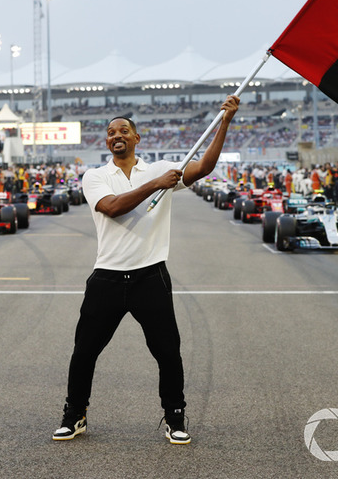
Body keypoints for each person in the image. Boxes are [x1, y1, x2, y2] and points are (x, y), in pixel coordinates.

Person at [53, 95, 241, 445]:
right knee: (84, 353)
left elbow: (203, 168)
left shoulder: (160, 168)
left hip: (150, 276)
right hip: (107, 277)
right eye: (111, 132)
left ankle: (175, 417)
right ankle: (74, 414)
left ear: (137, 138)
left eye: (124, 130)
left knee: (168, 353)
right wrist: (156, 185)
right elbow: (112, 208)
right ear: (107, 142)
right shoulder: (95, 176)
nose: (116, 135)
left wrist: (225, 122)